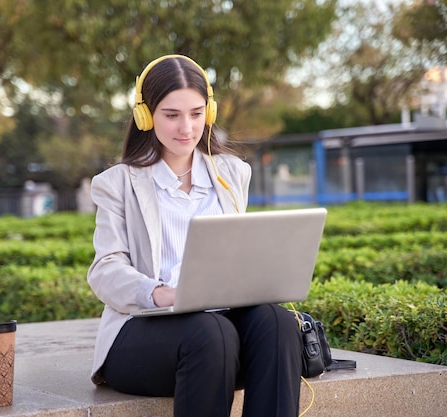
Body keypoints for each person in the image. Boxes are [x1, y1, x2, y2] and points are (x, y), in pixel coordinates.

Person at [87, 54, 303, 417]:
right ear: (145, 116)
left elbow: (237, 253)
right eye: (171, 115)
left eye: (196, 113)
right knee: (209, 331)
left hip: (221, 332)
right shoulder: (117, 184)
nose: (186, 127)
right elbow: (104, 270)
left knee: (278, 323)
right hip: (144, 332)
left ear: (210, 112)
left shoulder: (233, 174)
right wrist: (158, 293)